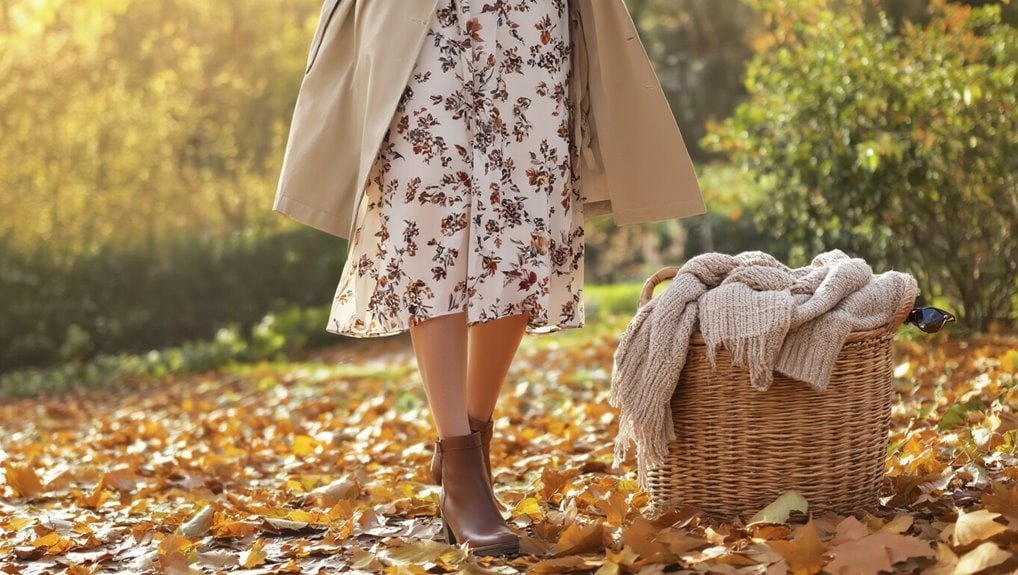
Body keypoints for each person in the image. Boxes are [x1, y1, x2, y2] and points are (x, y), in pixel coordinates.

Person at [273, 0, 706, 559]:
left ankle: (469, 446)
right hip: (421, 21)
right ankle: (461, 461)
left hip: (529, 21)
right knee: (432, 229)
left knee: (522, 236)